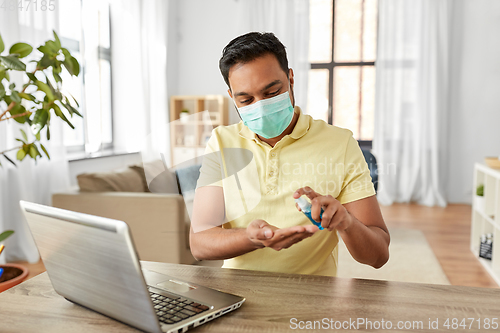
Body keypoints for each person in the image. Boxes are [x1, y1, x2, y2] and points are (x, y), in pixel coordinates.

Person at [189, 32, 389, 276]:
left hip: (312, 300)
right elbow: (200, 243)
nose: (260, 106)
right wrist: (253, 238)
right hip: (237, 295)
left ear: (291, 79)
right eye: (246, 99)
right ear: (232, 97)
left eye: (272, 93)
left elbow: (378, 255)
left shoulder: (340, 143)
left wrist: (347, 221)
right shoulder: (222, 142)